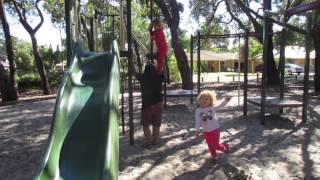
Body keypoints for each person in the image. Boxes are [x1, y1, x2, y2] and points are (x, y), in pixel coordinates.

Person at [195, 90, 231, 161]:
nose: (204, 100)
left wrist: (226, 100)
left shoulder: (211, 108)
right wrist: (197, 131)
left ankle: (224, 148)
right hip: (207, 131)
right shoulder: (198, 110)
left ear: (210, 101)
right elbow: (198, 121)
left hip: (215, 129)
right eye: (202, 98)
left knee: (215, 145)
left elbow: (221, 105)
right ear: (199, 99)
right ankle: (214, 156)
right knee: (210, 145)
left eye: (206, 99)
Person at [137, 64, 164, 147]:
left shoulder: (143, 78)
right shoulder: (159, 78)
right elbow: (164, 71)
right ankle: (155, 140)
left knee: (146, 124)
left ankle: (148, 142)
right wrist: (162, 61)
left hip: (147, 104)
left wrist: (131, 62)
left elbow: (134, 72)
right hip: (158, 103)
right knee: (156, 124)